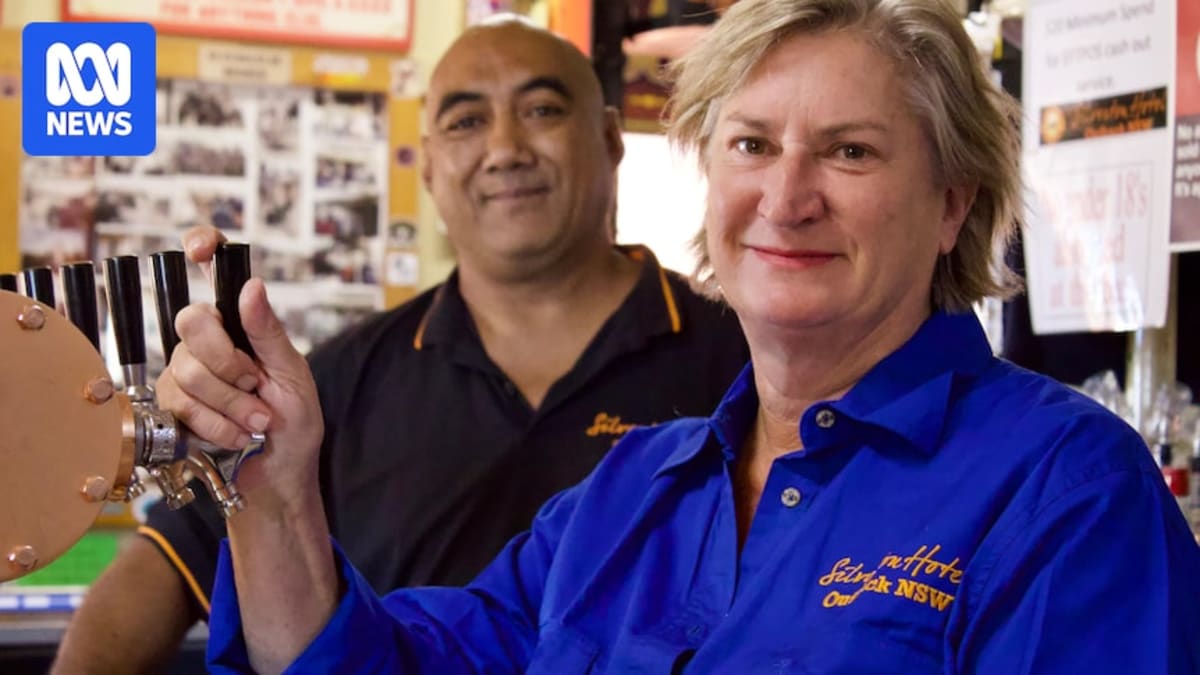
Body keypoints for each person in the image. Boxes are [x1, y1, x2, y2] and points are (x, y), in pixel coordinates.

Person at [164, 0, 1200, 671]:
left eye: (849, 151)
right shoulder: (630, 496)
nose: (786, 198)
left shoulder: (1065, 489)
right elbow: (367, 665)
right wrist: (272, 482)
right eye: (751, 145)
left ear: (949, 209)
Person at [50, 19, 748, 674]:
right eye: (467, 120)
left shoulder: (749, 364)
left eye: (542, 110)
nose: (505, 148)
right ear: (430, 166)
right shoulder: (331, 385)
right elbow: (173, 557)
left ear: (610, 140)